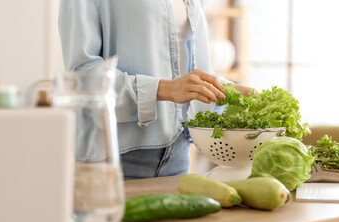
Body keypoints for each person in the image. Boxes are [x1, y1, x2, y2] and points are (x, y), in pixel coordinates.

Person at [59, 0, 255, 180]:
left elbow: (187, 65)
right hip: (114, 155)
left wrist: (229, 90)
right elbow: (82, 75)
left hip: (178, 151)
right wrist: (166, 89)